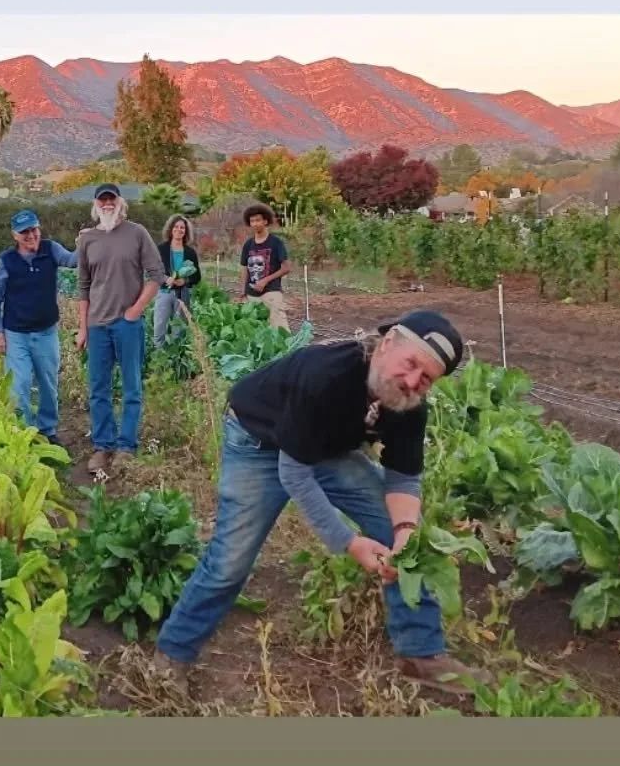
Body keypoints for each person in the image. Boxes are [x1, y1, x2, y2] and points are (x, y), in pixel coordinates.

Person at [152, 310, 492, 698]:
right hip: (257, 442)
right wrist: (349, 542)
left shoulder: (408, 403)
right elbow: (294, 474)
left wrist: (405, 533)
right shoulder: (327, 376)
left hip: (326, 449)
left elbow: (403, 476)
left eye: (426, 379)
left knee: (407, 542)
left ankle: (421, 654)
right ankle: (172, 655)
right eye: (411, 363)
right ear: (387, 344)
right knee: (231, 561)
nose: (413, 381)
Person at [75, 183, 165, 475]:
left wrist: (135, 311)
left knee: (131, 387)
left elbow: (156, 274)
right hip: (97, 325)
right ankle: (103, 446)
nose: (107, 204)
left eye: (111, 199)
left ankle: (127, 446)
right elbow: (83, 286)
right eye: (102, 200)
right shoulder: (87, 239)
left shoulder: (137, 233)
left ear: (120, 202)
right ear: (96, 205)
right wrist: (83, 328)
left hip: (127, 324)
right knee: (98, 389)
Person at [0, 208, 78, 445]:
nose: (31, 235)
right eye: (24, 232)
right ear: (15, 236)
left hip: (46, 331)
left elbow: (73, 260)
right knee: (19, 385)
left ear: (39, 229)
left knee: (48, 383)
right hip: (16, 334)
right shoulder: (7, 261)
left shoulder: (51, 250)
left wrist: (87, 242)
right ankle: (23, 434)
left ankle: (47, 430)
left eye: (34, 229)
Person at [239, 203, 290, 331]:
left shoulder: (276, 243)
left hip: (271, 292)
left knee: (278, 328)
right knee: (256, 330)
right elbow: (244, 269)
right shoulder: (248, 245)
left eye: (258, 220)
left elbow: (286, 268)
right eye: (252, 221)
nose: (255, 224)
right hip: (252, 294)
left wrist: (265, 280)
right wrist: (242, 292)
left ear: (265, 221)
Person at [153, 214, 202, 348]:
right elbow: (154, 271)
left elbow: (197, 276)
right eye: (176, 227)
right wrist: (166, 278)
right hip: (164, 293)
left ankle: (176, 358)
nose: (179, 230)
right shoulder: (161, 249)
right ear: (170, 229)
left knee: (179, 330)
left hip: (182, 294)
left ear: (186, 232)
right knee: (159, 327)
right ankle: (159, 357)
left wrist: (185, 281)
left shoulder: (190, 252)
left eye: (182, 228)